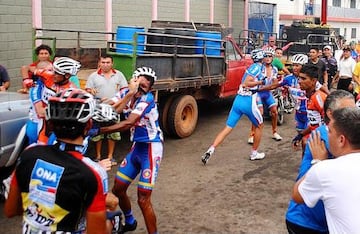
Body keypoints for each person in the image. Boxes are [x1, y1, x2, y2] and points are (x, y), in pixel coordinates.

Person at [4, 88, 108, 234]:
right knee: (110, 220)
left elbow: (10, 210)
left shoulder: (29, 153)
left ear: (50, 124)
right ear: (88, 126)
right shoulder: (93, 172)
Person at [94, 66, 163, 234]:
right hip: (137, 147)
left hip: (151, 149)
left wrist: (98, 131)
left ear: (149, 89)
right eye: (138, 84)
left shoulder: (147, 99)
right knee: (118, 189)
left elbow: (128, 123)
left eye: (144, 87)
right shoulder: (126, 92)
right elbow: (112, 108)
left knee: (143, 199)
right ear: (132, 81)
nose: (140, 89)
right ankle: (130, 221)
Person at [286, 90, 355, 234]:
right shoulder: (326, 134)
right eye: (346, 110)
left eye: (354, 110)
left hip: (324, 219)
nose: (352, 115)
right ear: (330, 114)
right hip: (306, 220)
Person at [202, 48, 266, 164]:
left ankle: (211, 149)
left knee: (228, 128)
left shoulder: (252, 67)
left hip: (238, 100)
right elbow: (246, 83)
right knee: (259, 125)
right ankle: (254, 153)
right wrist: (260, 83)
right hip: (248, 101)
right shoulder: (258, 67)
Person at [85, 54, 128, 165]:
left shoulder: (119, 75)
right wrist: (91, 91)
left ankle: (110, 157)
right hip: (98, 109)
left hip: (115, 108)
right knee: (97, 134)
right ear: (99, 63)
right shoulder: (93, 76)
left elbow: (124, 91)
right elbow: (87, 91)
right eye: (103, 62)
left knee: (112, 132)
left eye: (108, 62)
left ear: (112, 63)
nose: (105, 65)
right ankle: (98, 156)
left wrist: (116, 102)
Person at [248, 47, 282, 143]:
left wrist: (272, 85)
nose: (267, 58)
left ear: (272, 58)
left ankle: (274, 132)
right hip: (258, 93)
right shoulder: (258, 67)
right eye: (265, 56)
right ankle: (252, 134)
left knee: (274, 111)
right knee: (259, 113)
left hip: (267, 93)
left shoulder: (274, 69)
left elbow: (275, 83)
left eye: (269, 56)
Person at [292, 64, 328, 154]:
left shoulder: (318, 97)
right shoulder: (310, 96)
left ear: (313, 81)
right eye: (299, 78)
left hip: (323, 141)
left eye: (304, 79)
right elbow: (314, 124)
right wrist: (301, 135)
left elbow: (330, 123)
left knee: (306, 143)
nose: (299, 81)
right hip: (317, 136)